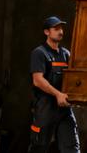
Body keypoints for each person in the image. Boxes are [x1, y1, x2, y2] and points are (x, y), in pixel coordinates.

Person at [29, 16, 80, 153]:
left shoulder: (66, 54)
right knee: (39, 148)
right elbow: (38, 80)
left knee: (72, 148)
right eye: (56, 29)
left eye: (61, 28)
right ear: (47, 32)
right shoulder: (39, 53)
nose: (60, 31)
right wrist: (58, 94)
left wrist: (76, 97)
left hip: (64, 109)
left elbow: (73, 80)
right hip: (45, 108)